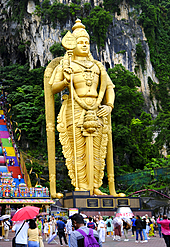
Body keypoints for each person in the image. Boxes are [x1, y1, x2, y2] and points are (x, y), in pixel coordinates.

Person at [45, 19, 119, 195]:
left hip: (97, 107)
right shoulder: (66, 64)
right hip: (74, 108)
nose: (84, 45)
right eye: (80, 42)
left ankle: (95, 186)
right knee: (77, 148)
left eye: (87, 42)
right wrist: (65, 80)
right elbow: (52, 87)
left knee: (98, 149)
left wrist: (109, 105)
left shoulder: (98, 66)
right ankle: (82, 186)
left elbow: (109, 87)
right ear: (73, 45)